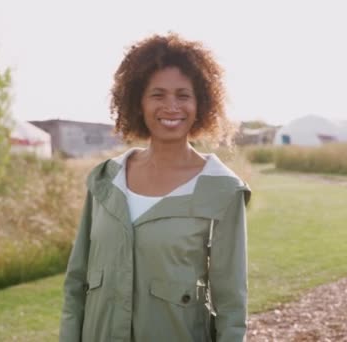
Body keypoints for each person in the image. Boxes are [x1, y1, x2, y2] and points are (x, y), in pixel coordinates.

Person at [59, 33, 251, 342]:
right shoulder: (107, 181)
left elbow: (232, 306)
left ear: (201, 102)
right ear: (138, 101)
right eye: (157, 94)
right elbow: (75, 284)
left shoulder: (222, 191)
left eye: (183, 95)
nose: (171, 106)